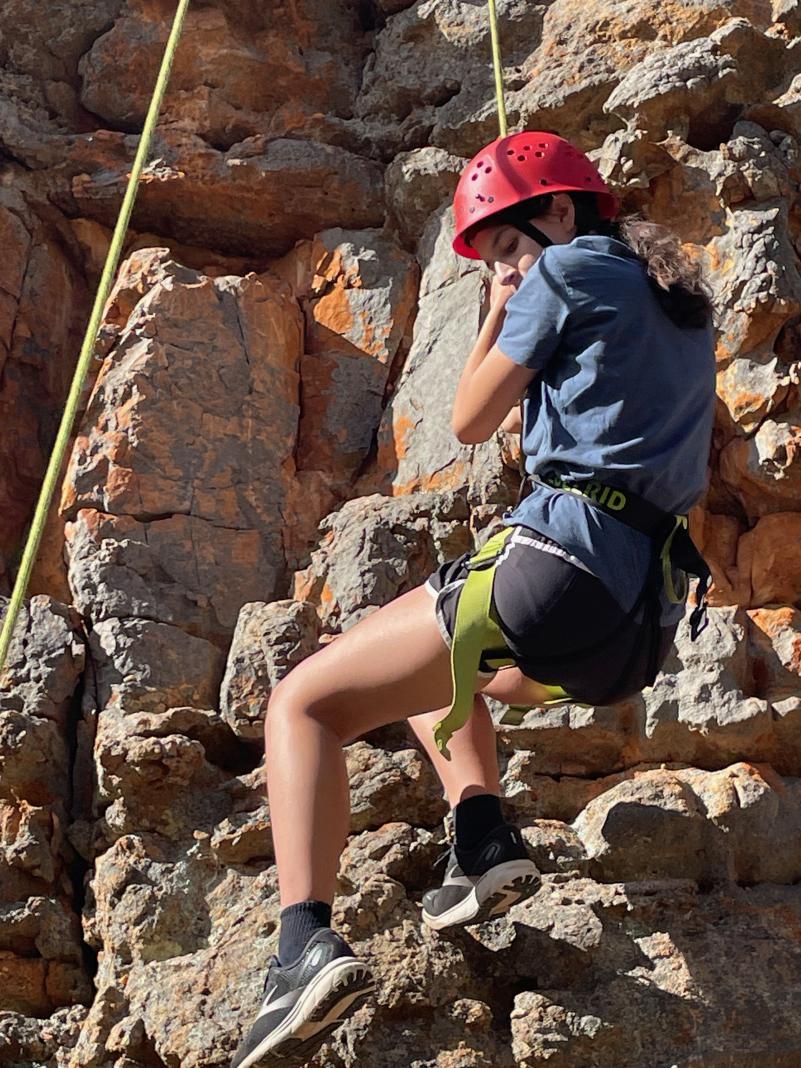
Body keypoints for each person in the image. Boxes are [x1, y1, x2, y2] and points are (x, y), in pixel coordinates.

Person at [230, 131, 716, 1068]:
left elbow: (466, 419)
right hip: (634, 627)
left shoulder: (564, 268)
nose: (505, 268)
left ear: (561, 211)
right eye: (493, 260)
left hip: (561, 565)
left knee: (302, 703)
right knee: (436, 674)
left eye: (505, 246)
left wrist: (498, 311)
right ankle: (482, 835)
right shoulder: (675, 300)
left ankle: (300, 947)